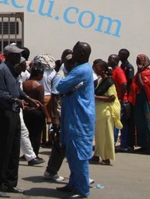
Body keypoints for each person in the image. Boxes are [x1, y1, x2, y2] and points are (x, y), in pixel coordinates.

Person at [0, 43, 39, 198]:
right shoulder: (2, 70)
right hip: (5, 112)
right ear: (9, 56)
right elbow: (0, 93)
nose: (19, 57)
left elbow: (17, 90)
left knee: (15, 149)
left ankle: (10, 182)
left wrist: (28, 98)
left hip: (15, 111)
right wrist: (16, 100)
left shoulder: (13, 70)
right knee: (5, 149)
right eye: (16, 55)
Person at [56, 41, 95, 198]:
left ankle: (82, 189)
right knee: (72, 154)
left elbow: (60, 86)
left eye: (75, 51)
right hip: (74, 117)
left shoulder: (80, 70)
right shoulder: (82, 69)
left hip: (79, 119)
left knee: (79, 155)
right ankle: (73, 183)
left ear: (82, 54)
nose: (72, 54)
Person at [43, 49, 75, 184]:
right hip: (61, 115)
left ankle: (73, 174)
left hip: (68, 114)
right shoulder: (60, 76)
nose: (73, 64)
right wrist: (55, 118)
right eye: (71, 62)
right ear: (65, 62)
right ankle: (51, 171)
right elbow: (55, 97)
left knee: (66, 145)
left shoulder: (71, 74)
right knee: (60, 145)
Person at [93, 59, 122, 165]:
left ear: (103, 69)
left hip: (106, 112)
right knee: (99, 135)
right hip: (100, 111)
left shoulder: (109, 82)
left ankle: (106, 158)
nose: (95, 69)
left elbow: (112, 97)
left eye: (97, 67)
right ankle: (96, 155)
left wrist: (96, 97)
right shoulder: (101, 80)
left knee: (105, 135)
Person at [22, 64, 51, 158]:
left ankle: (26, 153)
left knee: (27, 134)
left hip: (26, 112)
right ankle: (34, 154)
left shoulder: (24, 84)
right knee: (36, 135)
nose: (42, 77)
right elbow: (42, 103)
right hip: (37, 113)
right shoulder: (39, 86)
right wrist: (48, 116)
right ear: (38, 74)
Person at [130, 54, 150, 154]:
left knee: (147, 122)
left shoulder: (148, 72)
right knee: (139, 123)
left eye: (139, 61)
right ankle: (143, 145)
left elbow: (142, 86)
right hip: (139, 100)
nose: (138, 63)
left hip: (146, 100)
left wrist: (140, 73)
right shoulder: (139, 73)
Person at [108, 54, 128, 151]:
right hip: (117, 100)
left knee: (116, 122)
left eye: (110, 59)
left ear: (116, 61)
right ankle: (120, 144)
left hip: (121, 101)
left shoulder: (119, 71)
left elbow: (124, 84)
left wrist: (120, 98)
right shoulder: (113, 71)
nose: (108, 60)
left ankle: (113, 144)